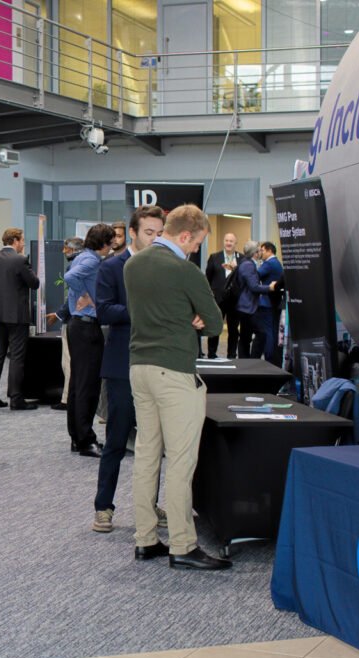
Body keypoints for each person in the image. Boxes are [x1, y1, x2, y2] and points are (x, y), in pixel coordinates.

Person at [124, 204, 230, 570]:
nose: (196, 250)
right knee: (181, 462)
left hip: (139, 369)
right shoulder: (185, 271)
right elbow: (215, 323)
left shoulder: (132, 264)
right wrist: (196, 318)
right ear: (185, 236)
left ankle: (145, 539)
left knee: (146, 456)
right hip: (175, 371)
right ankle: (183, 546)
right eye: (197, 243)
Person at [92, 206, 167, 533]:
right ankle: (103, 506)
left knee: (154, 445)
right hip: (123, 366)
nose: (155, 238)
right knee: (117, 440)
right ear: (133, 233)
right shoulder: (111, 268)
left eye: (160, 233)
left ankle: (149, 505)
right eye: (149, 232)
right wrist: (145, 310)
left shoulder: (167, 266)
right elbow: (104, 311)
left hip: (160, 364)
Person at [65, 223, 115, 456]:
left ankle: (77, 436)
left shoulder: (82, 256)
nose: (112, 246)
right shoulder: (92, 260)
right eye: (110, 242)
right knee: (87, 386)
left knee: (77, 385)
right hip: (86, 327)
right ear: (103, 243)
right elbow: (71, 277)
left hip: (77, 327)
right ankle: (86, 439)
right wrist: (87, 296)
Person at [0, 227, 40, 410]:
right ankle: (16, 399)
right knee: (16, 357)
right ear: (15, 240)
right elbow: (35, 283)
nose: (23, 243)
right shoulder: (20, 260)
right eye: (22, 240)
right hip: (17, 316)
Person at [45, 237, 85, 411]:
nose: (63, 251)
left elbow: (73, 298)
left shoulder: (74, 267)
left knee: (68, 362)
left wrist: (59, 314)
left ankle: (67, 399)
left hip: (73, 322)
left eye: (66, 248)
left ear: (73, 249)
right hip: (84, 322)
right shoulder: (88, 264)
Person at [234, 241, 274, 359]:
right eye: (259, 250)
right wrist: (270, 288)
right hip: (247, 307)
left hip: (245, 306)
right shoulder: (249, 265)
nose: (261, 252)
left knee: (246, 337)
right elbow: (254, 287)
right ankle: (250, 361)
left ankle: (246, 362)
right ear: (255, 253)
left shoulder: (246, 263)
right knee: (258, 334)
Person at [204, 232, 241, 359]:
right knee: (215, 327)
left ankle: (231, 355)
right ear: (224, 242)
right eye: (226, 240)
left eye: (231, 241)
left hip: (234, 300)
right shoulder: (214, 257)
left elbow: (243, 279)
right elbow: (207, 279)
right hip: (217, 299)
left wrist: (236, 269)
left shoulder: (241, 259)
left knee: (233, 330)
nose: (228, 243)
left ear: (235, 243)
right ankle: (211, 354)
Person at [250, 241, 284, 364]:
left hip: (266, 303)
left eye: (262, 250)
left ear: (269, 251)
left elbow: (254, 274)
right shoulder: (277, 263)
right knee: (271, 331)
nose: (260, 253)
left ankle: (269, 358)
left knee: (267, 332)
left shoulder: (269, 264)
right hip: (273, 303)